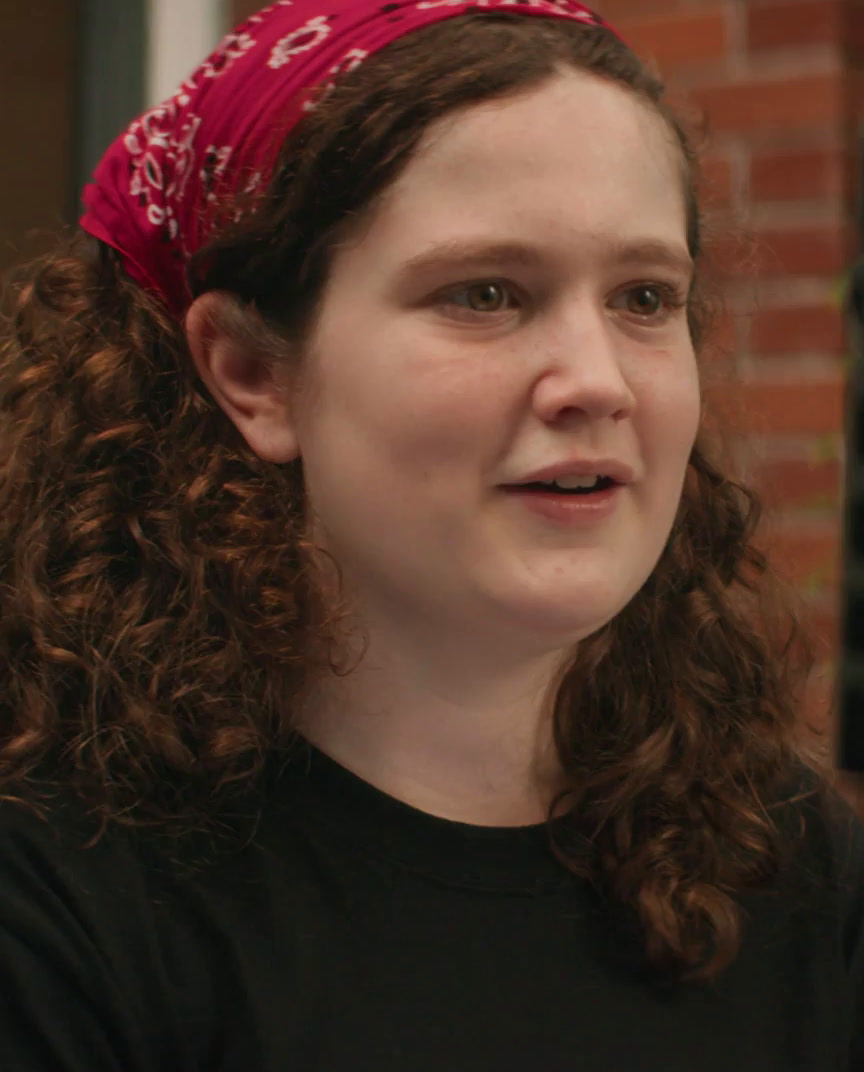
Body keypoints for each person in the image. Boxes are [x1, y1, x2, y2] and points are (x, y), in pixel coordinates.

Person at [0, 1, 861, 1068]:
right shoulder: (57, 893)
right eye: (487, 294)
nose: (596, 380)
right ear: (254, 374)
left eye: (644, 297)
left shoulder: (791, 864)